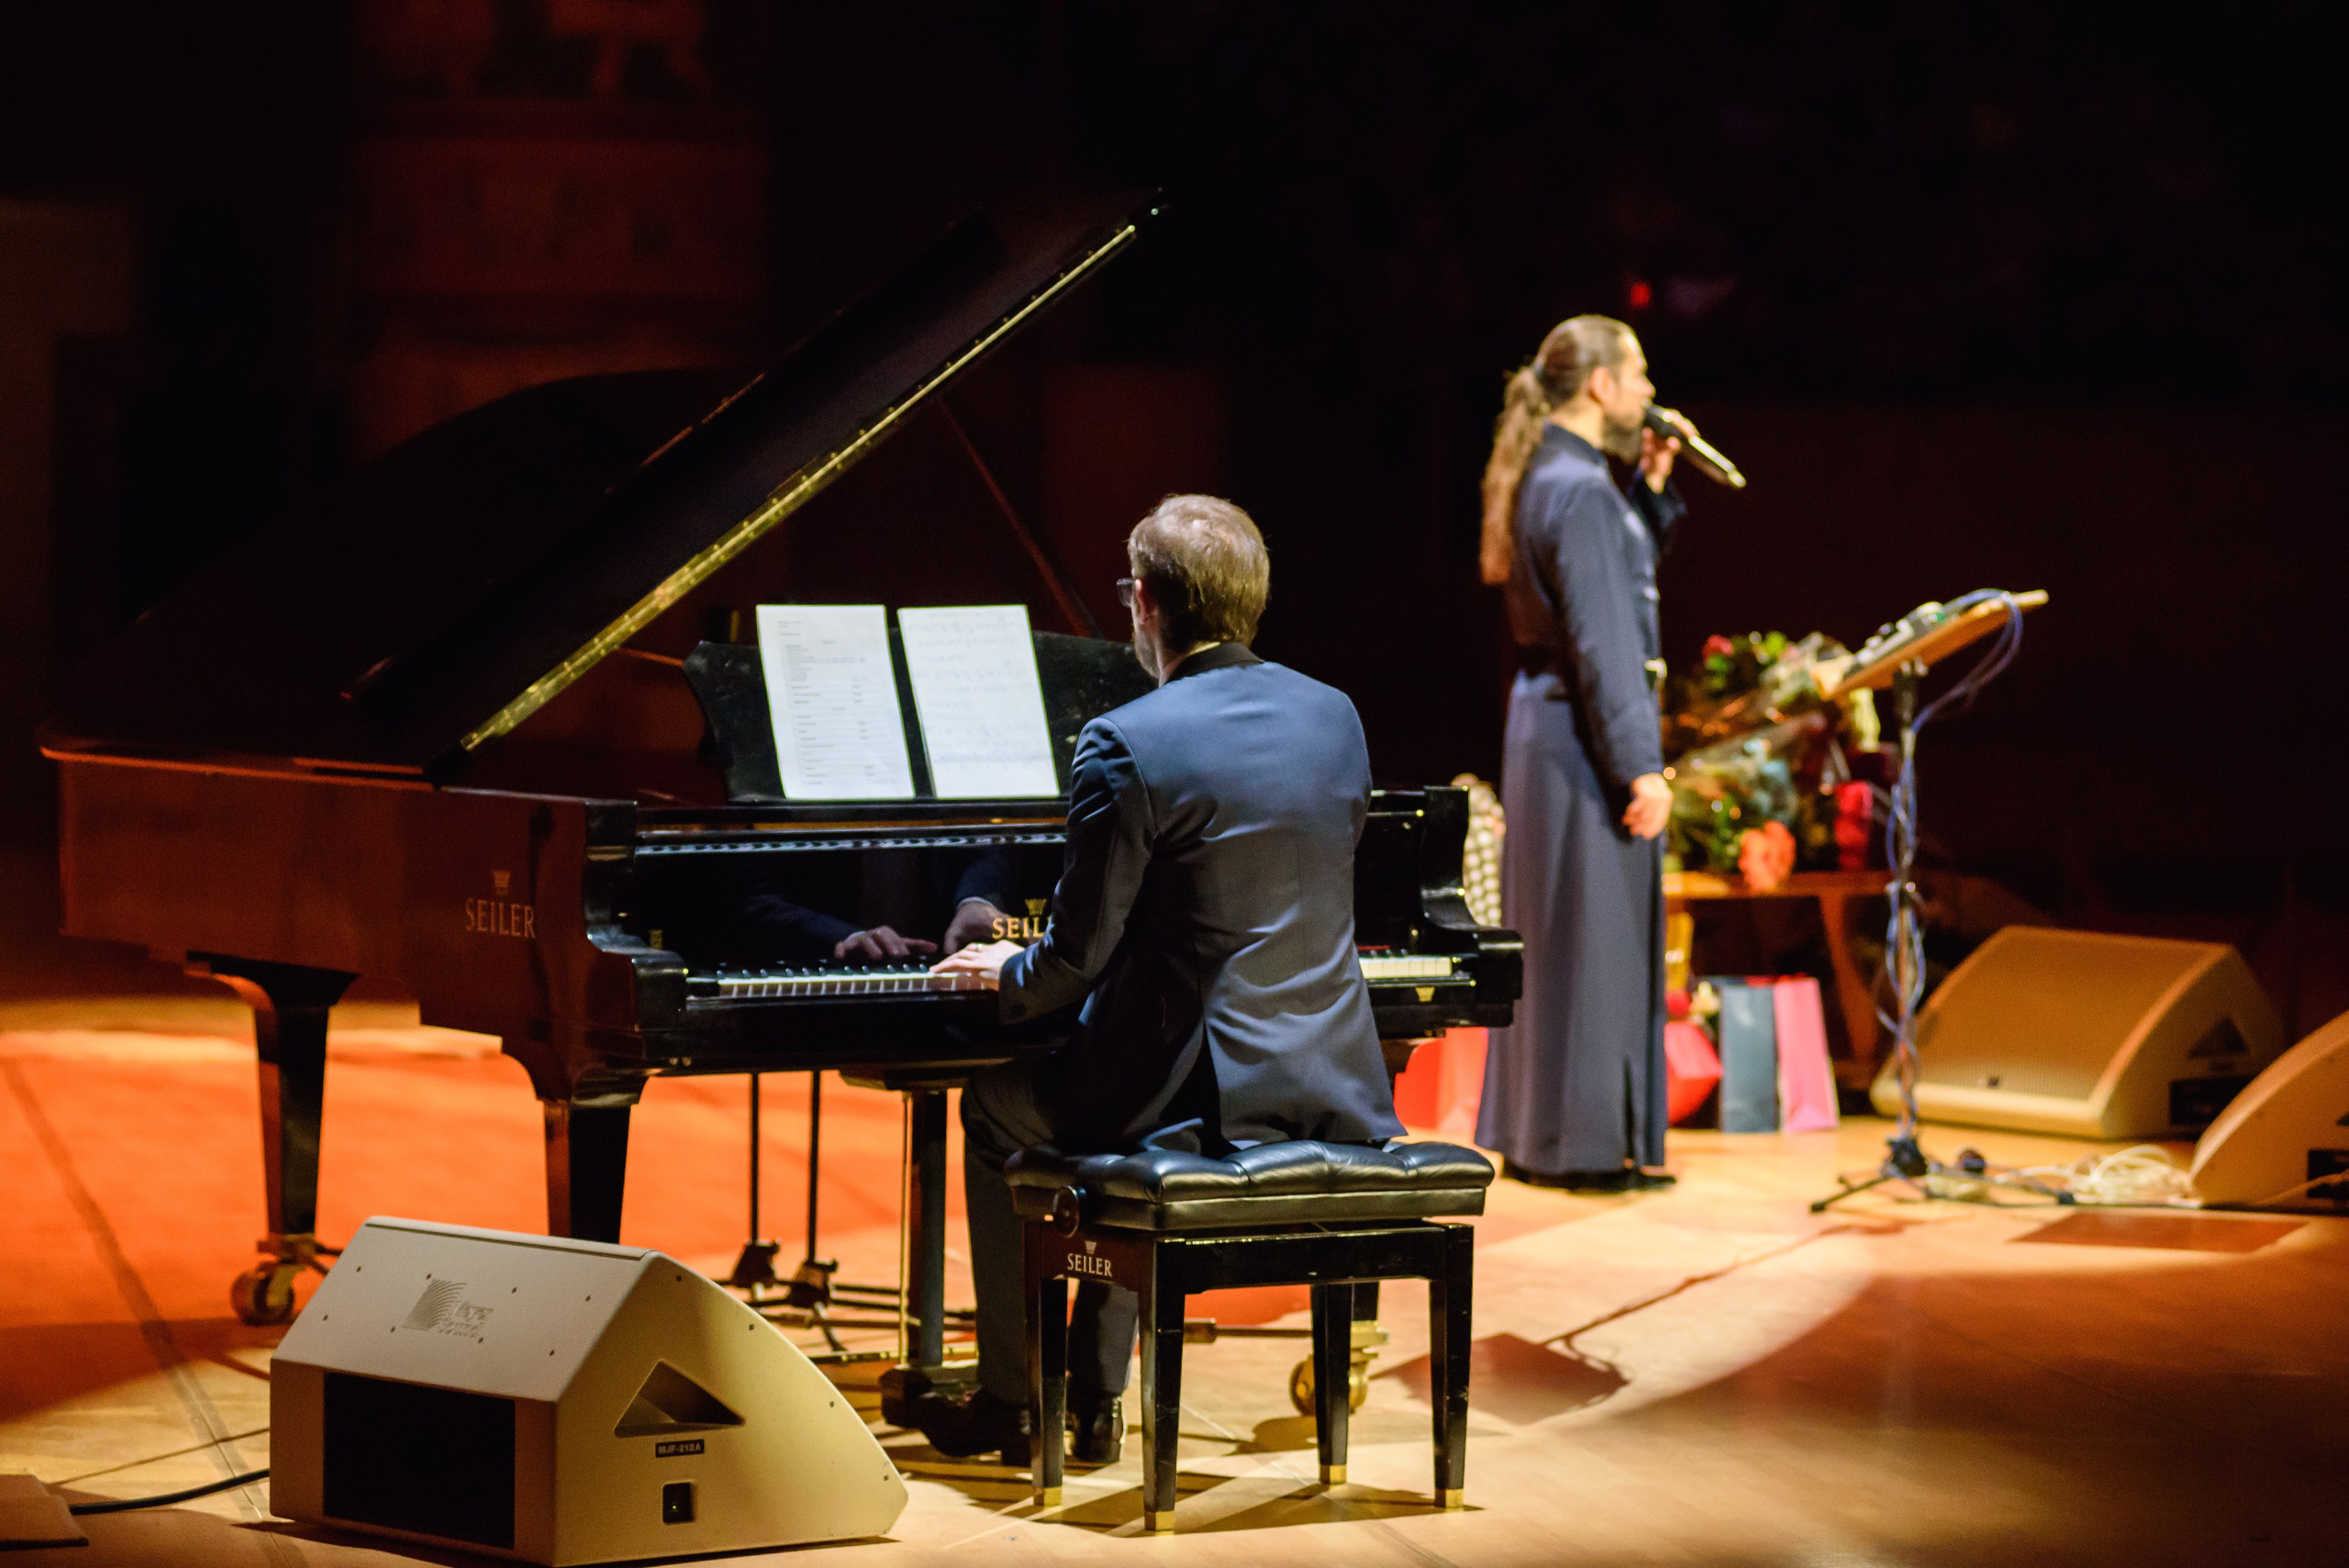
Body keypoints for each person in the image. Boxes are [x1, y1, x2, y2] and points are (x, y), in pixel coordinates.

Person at [918, 494, 1402, 1463]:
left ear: (1142, 602)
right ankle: (1095, 1401)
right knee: (1104, 1092)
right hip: (1329, 1069)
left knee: (998, 1110)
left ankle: (1015, 1397)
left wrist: (1000, 974)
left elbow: (1074, 957)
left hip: (1192, 1086)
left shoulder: (1127, 739)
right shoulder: (1334, 714)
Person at [1476, 315, 1702, 1193]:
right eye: (1638, 371)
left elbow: (1609, 580)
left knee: (1555, 938)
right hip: (1583, 733)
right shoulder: (1583, 492)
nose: (1649, 389)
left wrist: (1647, 492)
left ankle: (1546, 1135)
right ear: (1602, 385)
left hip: (1543, 728)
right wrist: (1640, 764)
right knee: (1593, 942)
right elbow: (1609, 638)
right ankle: (1585, 1146)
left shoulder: (1553, 477)